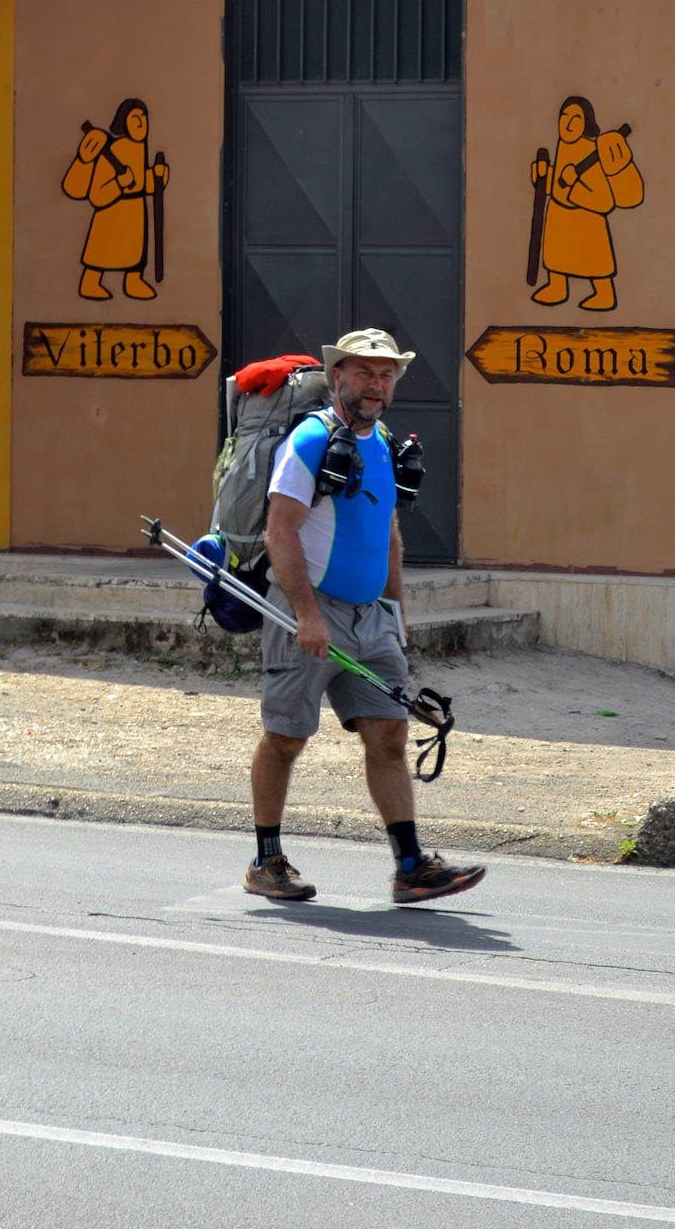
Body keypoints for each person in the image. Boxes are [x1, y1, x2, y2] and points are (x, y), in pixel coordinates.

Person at [244, 327, 487, 906]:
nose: (375, 384)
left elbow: (390, 539)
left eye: (386, 375)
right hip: (309, 610)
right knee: (285, 738)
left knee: (390, 736)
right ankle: (266, 859)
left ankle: (410, 866)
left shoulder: (382, 444)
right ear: (338, 377)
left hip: (371, 618)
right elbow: (280, 532)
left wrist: (397, 618)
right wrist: (307, 615)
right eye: (363, 372)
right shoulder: (310, 440)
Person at [529, 95, 642, 312]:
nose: (568, 123)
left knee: (595, 262)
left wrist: (574, 187)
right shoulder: (562, 144)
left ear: (585, 124)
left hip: (585, 220)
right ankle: (557, 286)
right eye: (565, 116)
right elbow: (559, 183)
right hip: (559, 216)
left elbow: (605, 201)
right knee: (556, 258)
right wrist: (544, 178)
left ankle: (604, 294)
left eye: (576, 118)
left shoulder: (592, 153)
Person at [62, 98, 168, 301]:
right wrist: (119, 183)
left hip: (135, 211)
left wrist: (157, 176)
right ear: (124, 123)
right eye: (134, 118)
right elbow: (96, 194)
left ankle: (133, 280)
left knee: (136, 252)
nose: (140, 122)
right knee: (101, 253)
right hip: (112, 213)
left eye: (143, 117)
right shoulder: (114, 150)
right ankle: (90, 282)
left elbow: (141, 183)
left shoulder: (140, 148)